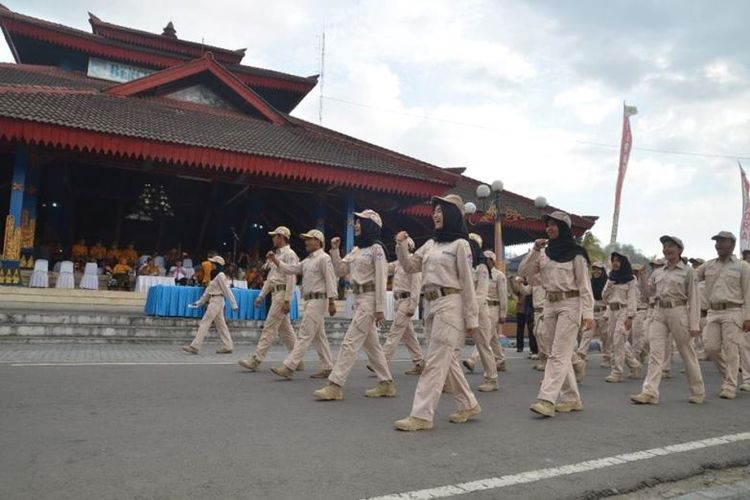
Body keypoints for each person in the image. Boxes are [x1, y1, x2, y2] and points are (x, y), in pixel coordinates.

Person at [393, 194, 481, 431]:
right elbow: (411, 266)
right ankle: (468, 403)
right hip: (431, 305)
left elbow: (468, 283)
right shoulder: (431, 244)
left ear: (452, 214)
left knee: (434, 361)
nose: (435, 214)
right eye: (435, 211)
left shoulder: (461, 245)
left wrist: (472, 318)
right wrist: (401, 246)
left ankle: (421, 415)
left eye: (441, 210)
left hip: (451, 304)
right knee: (447, 359)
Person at [313, 209, 395, 401]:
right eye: (356, 221)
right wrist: (334, 250)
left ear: (371, 225)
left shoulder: (377, 249)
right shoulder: (357, 250)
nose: (356, 225)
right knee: (372, 346)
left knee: (349, 342)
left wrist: (380, 309)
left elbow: (382, 280)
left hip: (369, 300)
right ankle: (386, 383)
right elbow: (341, 270)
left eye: (361, 222)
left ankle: (335, 384)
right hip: (358, 299)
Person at [519, 211, 593, 418]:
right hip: (550, 304)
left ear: (564, 228)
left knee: (558, 353)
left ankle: (547, 399)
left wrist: (588, 314)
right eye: (548, 225)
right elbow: (524, 272)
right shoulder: (545, 252)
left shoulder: (577, 254)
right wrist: (534, 249)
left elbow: (584, 286)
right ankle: (571, 398)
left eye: (555, 225)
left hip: (570, 303)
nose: (550, 228)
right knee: (556, 352)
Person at [631, 236, 705, 405]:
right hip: (659, 311)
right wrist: (642, 277)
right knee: (656, 352)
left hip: (679, 311)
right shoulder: (658, 272)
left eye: (671, 246)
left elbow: (694, 299)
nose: (666, 249)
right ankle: (649, 392)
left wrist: (694, 324)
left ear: (679, 250)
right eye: (664, 246)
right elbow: (647, 294)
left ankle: (698, 390)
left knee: (687, 352)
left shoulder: (688, 272)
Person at [268, 229, 337, 380]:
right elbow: (292, 269)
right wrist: (276, 261)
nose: (305, 242)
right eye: (305, 239)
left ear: (318, 241)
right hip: (310, 300)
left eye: (309, 239)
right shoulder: (308, 260)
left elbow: (330, 280)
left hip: (319, 300)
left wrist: (332, 302)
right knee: (319, 336)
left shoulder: (324, 258)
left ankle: (289, 366)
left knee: (304, 334)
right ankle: (328, 366)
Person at [695, 231, 750, 399]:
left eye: (722, 241)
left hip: (733, 311)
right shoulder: (709, 265)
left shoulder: (742, 266)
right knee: (710, 348)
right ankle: (729, 375)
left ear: (731, 245)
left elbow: (748, 292)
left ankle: (729, 385)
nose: (718, 244)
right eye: (716, 241)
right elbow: (691, 277)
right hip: (713, 311)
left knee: (731, 349)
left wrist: (748, 317)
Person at [238, 227, 298, 373]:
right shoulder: (276, 255)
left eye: (274, 236)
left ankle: (256, 359)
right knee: (286, 330)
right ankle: (297, 358)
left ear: (281, 237)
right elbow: (271, 279)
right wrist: (261, 296)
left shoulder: (290, 254)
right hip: (276, 292)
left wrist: (287, 300)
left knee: (269, 327)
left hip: (282, 293)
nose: (272, 239)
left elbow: (291, 278)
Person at [459, 233, 499, 392]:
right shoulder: (463, 265)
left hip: (478, 312)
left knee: (483, 345)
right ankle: (450, 379)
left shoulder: (482, 268)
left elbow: (481, 293)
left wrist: (471, 312)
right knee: (453, 344)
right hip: (462, 309)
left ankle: (492, 378)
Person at [380, 237, 425, 375]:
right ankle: (419, 362)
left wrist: (413, 305)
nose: (397, 249)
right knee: (408, 335)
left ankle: (381, 361)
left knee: (395, 332)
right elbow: (385, 268)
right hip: (398, 301)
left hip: (406, 301)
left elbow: (416, 287)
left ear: (409, 247)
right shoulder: (399, 263)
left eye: (401, 247)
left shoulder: (414, 264)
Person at [464, 251, 508, 374]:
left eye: (488, 259)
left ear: (492, 261)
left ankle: (472, 360)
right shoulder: (478, 272)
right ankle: (500, 360)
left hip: (494, 307)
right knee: (492, 336)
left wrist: (503, 314)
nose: (485, 261)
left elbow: (503, 295)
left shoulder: (499, 276)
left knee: (484, 336)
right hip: (482, 307)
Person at [183, 255, 237, 355]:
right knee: (221, 325)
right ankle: (228, 345)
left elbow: (227, 290)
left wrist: (234, 304)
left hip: (216, 301)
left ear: (217, 265)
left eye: (212, 263)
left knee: (205, 322)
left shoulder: (220, 275)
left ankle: (195, 346)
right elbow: (207, 292)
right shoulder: (214, 276)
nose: (211, 264)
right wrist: (198, 303)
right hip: (216, 301)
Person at [602, 252, 641, 383]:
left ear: (623, 262)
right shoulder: (610, 278)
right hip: (612, 311)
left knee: (619, 338)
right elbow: (604, 296)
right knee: (617, 341)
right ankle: (634, 365)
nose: (615, 263)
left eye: (618, 260)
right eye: (613, 260)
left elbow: (632, 299)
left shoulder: (631, 279)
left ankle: (617, 372)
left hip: (624, 311)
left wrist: (630, 316)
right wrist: (608, 288)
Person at [575, 261, 608, 377]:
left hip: (604, 312)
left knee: (605, 336)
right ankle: (581, 356)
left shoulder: (607, 282)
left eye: (599, 269)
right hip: (592, 312)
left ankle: (607, 357)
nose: (596, 271)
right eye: (594, 269)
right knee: (586, 334)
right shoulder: (589, 282)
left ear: (602, 270)